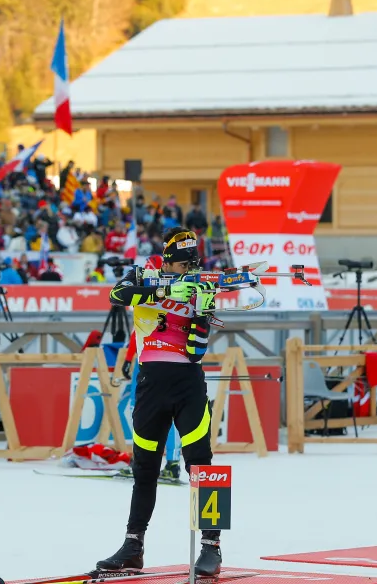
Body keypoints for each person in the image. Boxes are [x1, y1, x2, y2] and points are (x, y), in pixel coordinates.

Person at [98, 227, 221, 576]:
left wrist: (200, 304)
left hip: (187, 382)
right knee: (144, 468)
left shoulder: (203, 286)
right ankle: (133, 546)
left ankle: (212, 546)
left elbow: (197, 349)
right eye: (181, 263)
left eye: (190, 264)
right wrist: (166, 289)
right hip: (151, 382)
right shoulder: (143, 275)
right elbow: (118, 294)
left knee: (202, 464)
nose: (187, 270)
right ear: (167, 260)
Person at [119, 254, 182, 482]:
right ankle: (149, 461)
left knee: (162, 411)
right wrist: (128, 358)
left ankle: (169, 462)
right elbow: (139, 328)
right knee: (141, 410)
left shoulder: (172, 286)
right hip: (149, 356)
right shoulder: (152, 285)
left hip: (161, 357)